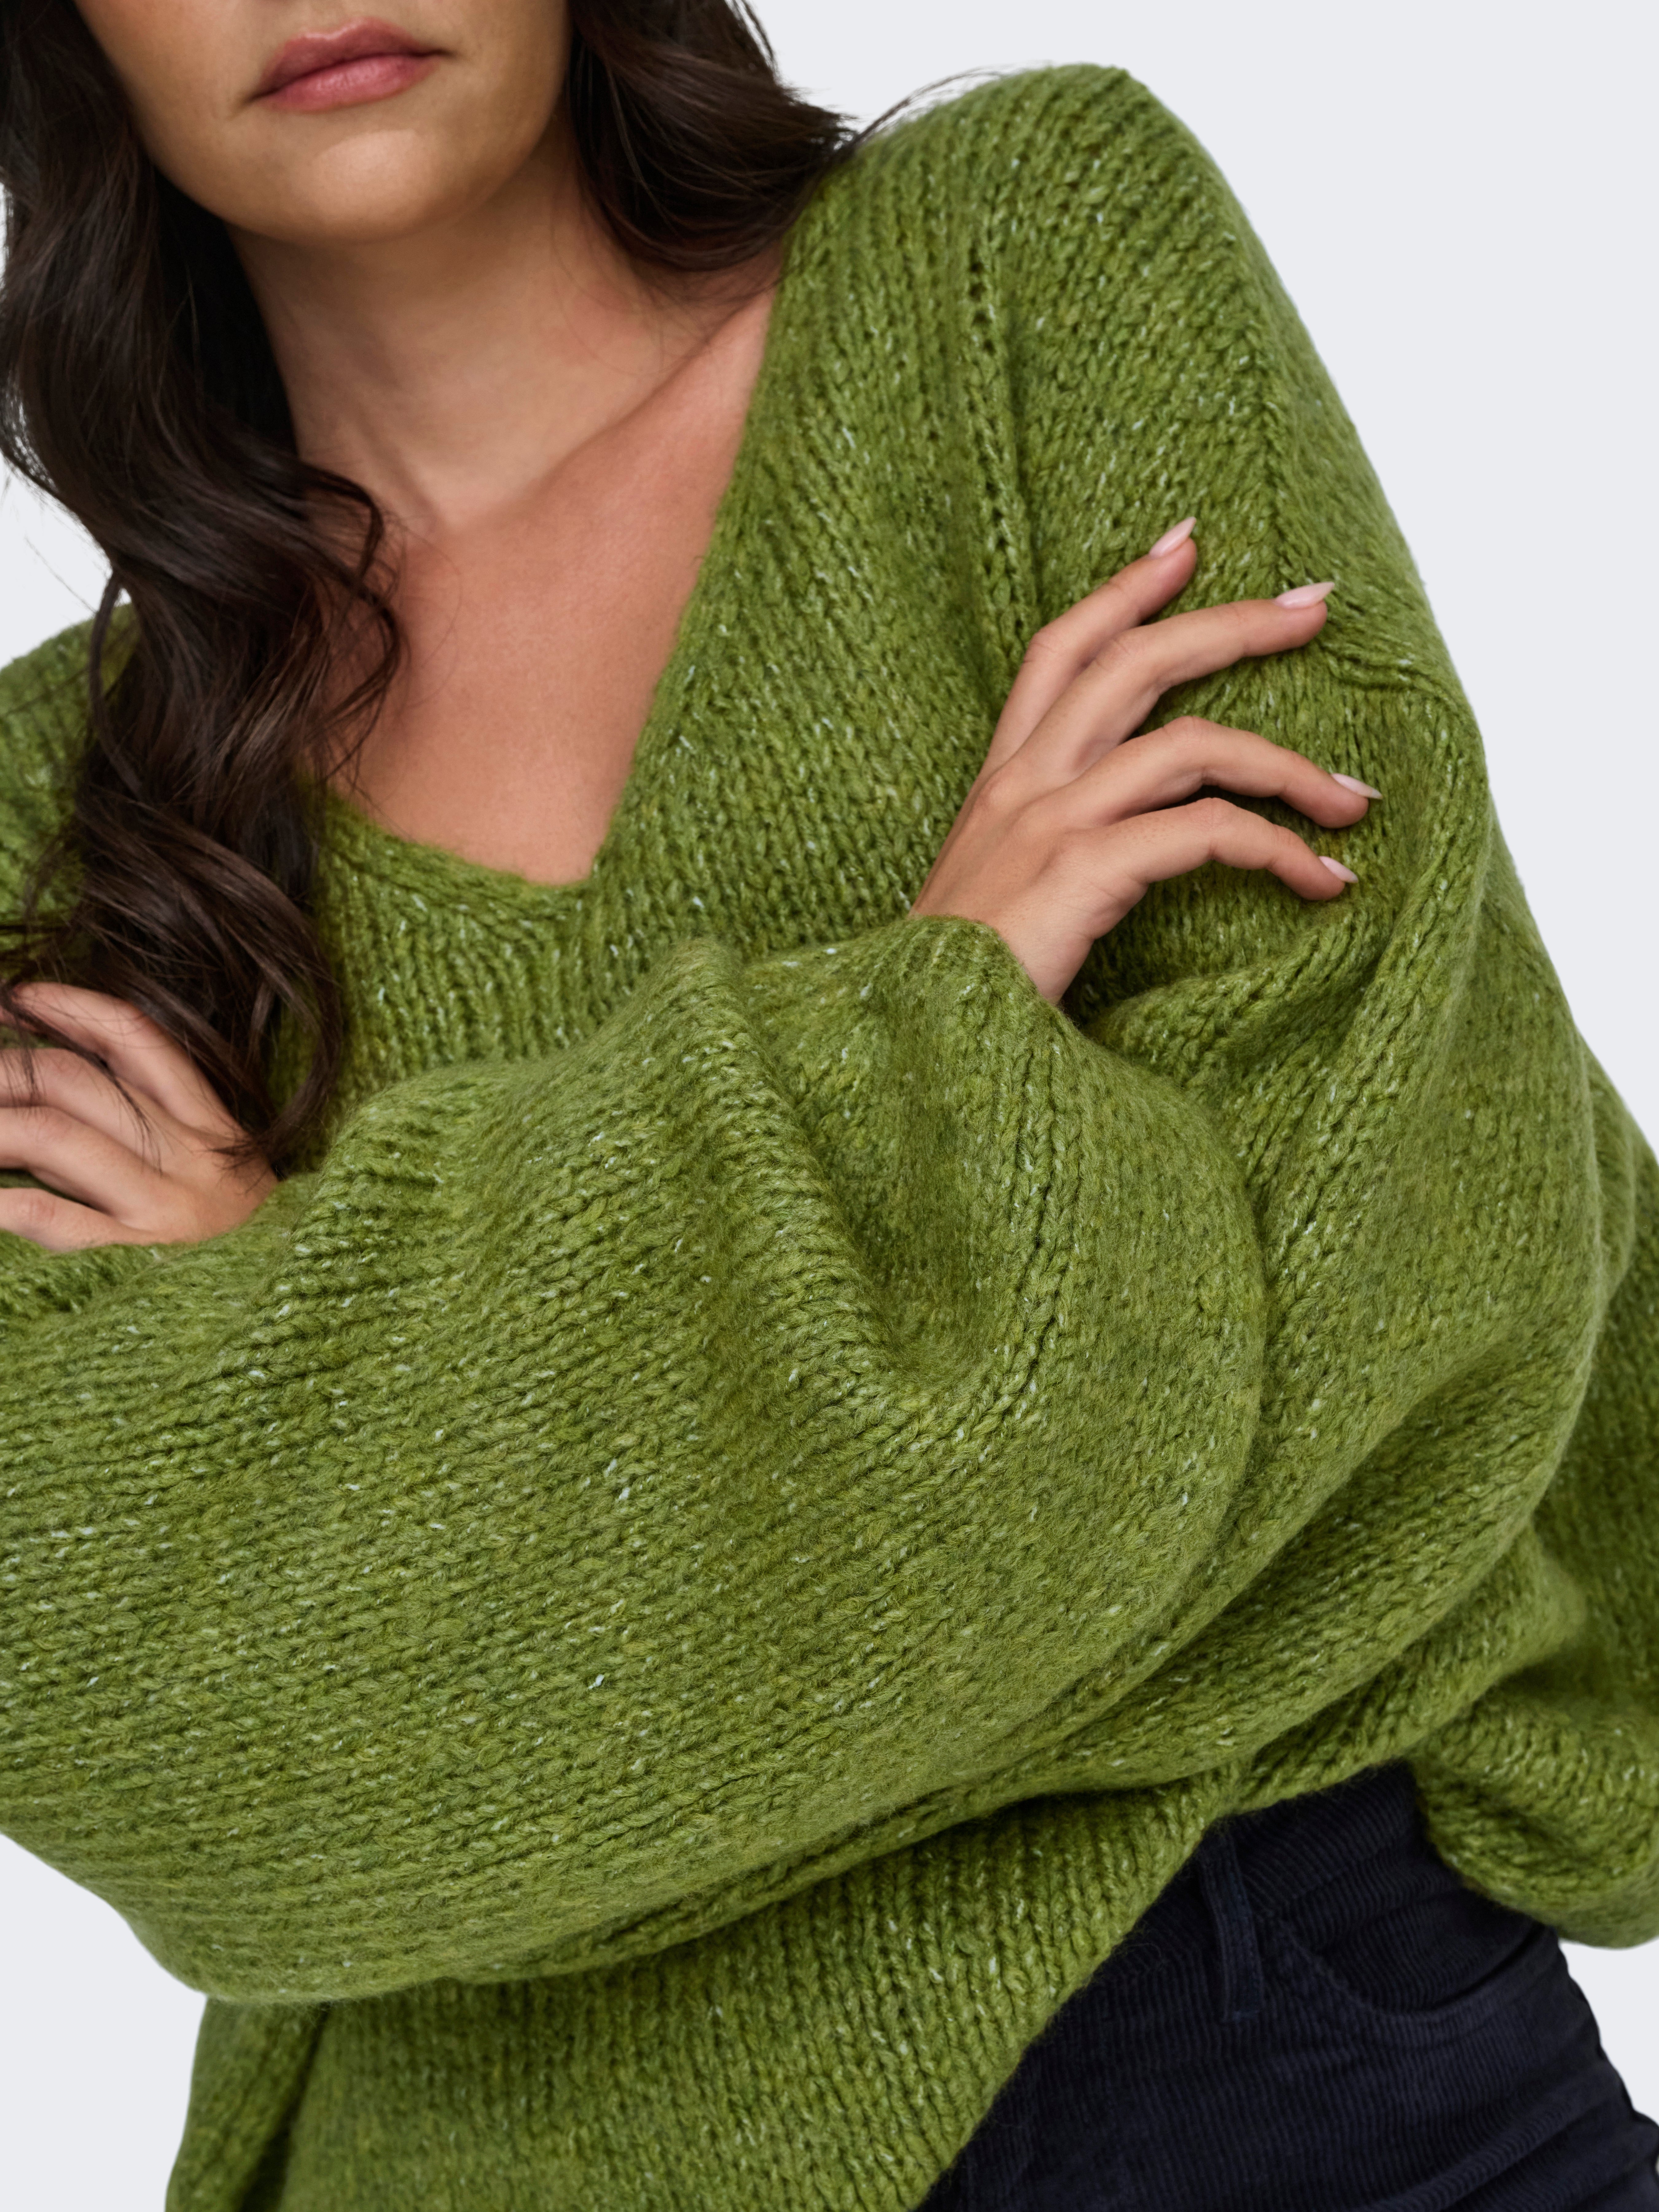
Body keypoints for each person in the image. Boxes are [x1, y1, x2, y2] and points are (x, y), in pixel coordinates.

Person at [0, 2, 1655, 2206]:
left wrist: (310, 1347)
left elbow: (1405, 1288)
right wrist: (935, 1023)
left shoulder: (1026, 275)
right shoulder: (50, 824)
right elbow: (166, 1739)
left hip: (1292, 2073)